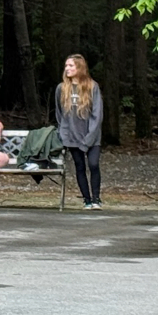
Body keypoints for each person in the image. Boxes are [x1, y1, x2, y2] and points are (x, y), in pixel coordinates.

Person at [55, 54, 103, 210]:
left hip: (91, 136)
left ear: (80, 67)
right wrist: (64, 134)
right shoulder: (61, 88)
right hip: (72, 136)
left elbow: (97, 114)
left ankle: (96, 199)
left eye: (71, 66)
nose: (67, 69)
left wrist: (89, 139)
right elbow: (59, 114)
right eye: (66, 66)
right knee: (79, 167)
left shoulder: (92, 86)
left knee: (93, 164)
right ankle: (87, 200)